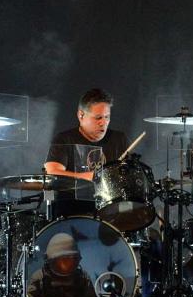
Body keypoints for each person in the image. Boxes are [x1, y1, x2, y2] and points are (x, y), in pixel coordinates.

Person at [43, 88, 129, 218]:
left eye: (107, 117)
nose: (103, 122)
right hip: (71, 211)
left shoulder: (119, 139)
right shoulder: (64, 139)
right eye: (98, 117)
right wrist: (86, 177)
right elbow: (53, 172)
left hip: (109, 211)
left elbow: (128, 174)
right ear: (81, 115)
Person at [26, 232, 116, 297]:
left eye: (70, 260)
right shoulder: (40, 277)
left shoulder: (81, 277)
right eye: (62, 260)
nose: (65, 265)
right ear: (50, 260)